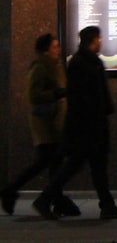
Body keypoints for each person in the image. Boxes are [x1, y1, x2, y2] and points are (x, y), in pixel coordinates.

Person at [33, 26, 117, 220]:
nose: (101, 41)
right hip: (88, 126)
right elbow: (81, 96)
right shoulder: (82, 63)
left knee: (96, 167)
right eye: (99, 38)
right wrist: (97, 114)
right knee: (78, 166)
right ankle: (45, 199)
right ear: (93, 40)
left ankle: (107, 204)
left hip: (91, 124)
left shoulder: (86, 61)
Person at [0, 34, 78, 217]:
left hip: (55, 122)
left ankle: (56, 200)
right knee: (46, 161)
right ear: (45, 50)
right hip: (45, 124)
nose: (58, 50)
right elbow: (33, 96)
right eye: (54, 47)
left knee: (53, 163)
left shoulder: (55, 66)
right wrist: (57, 94)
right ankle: (13, 190)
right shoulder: (41, 67)